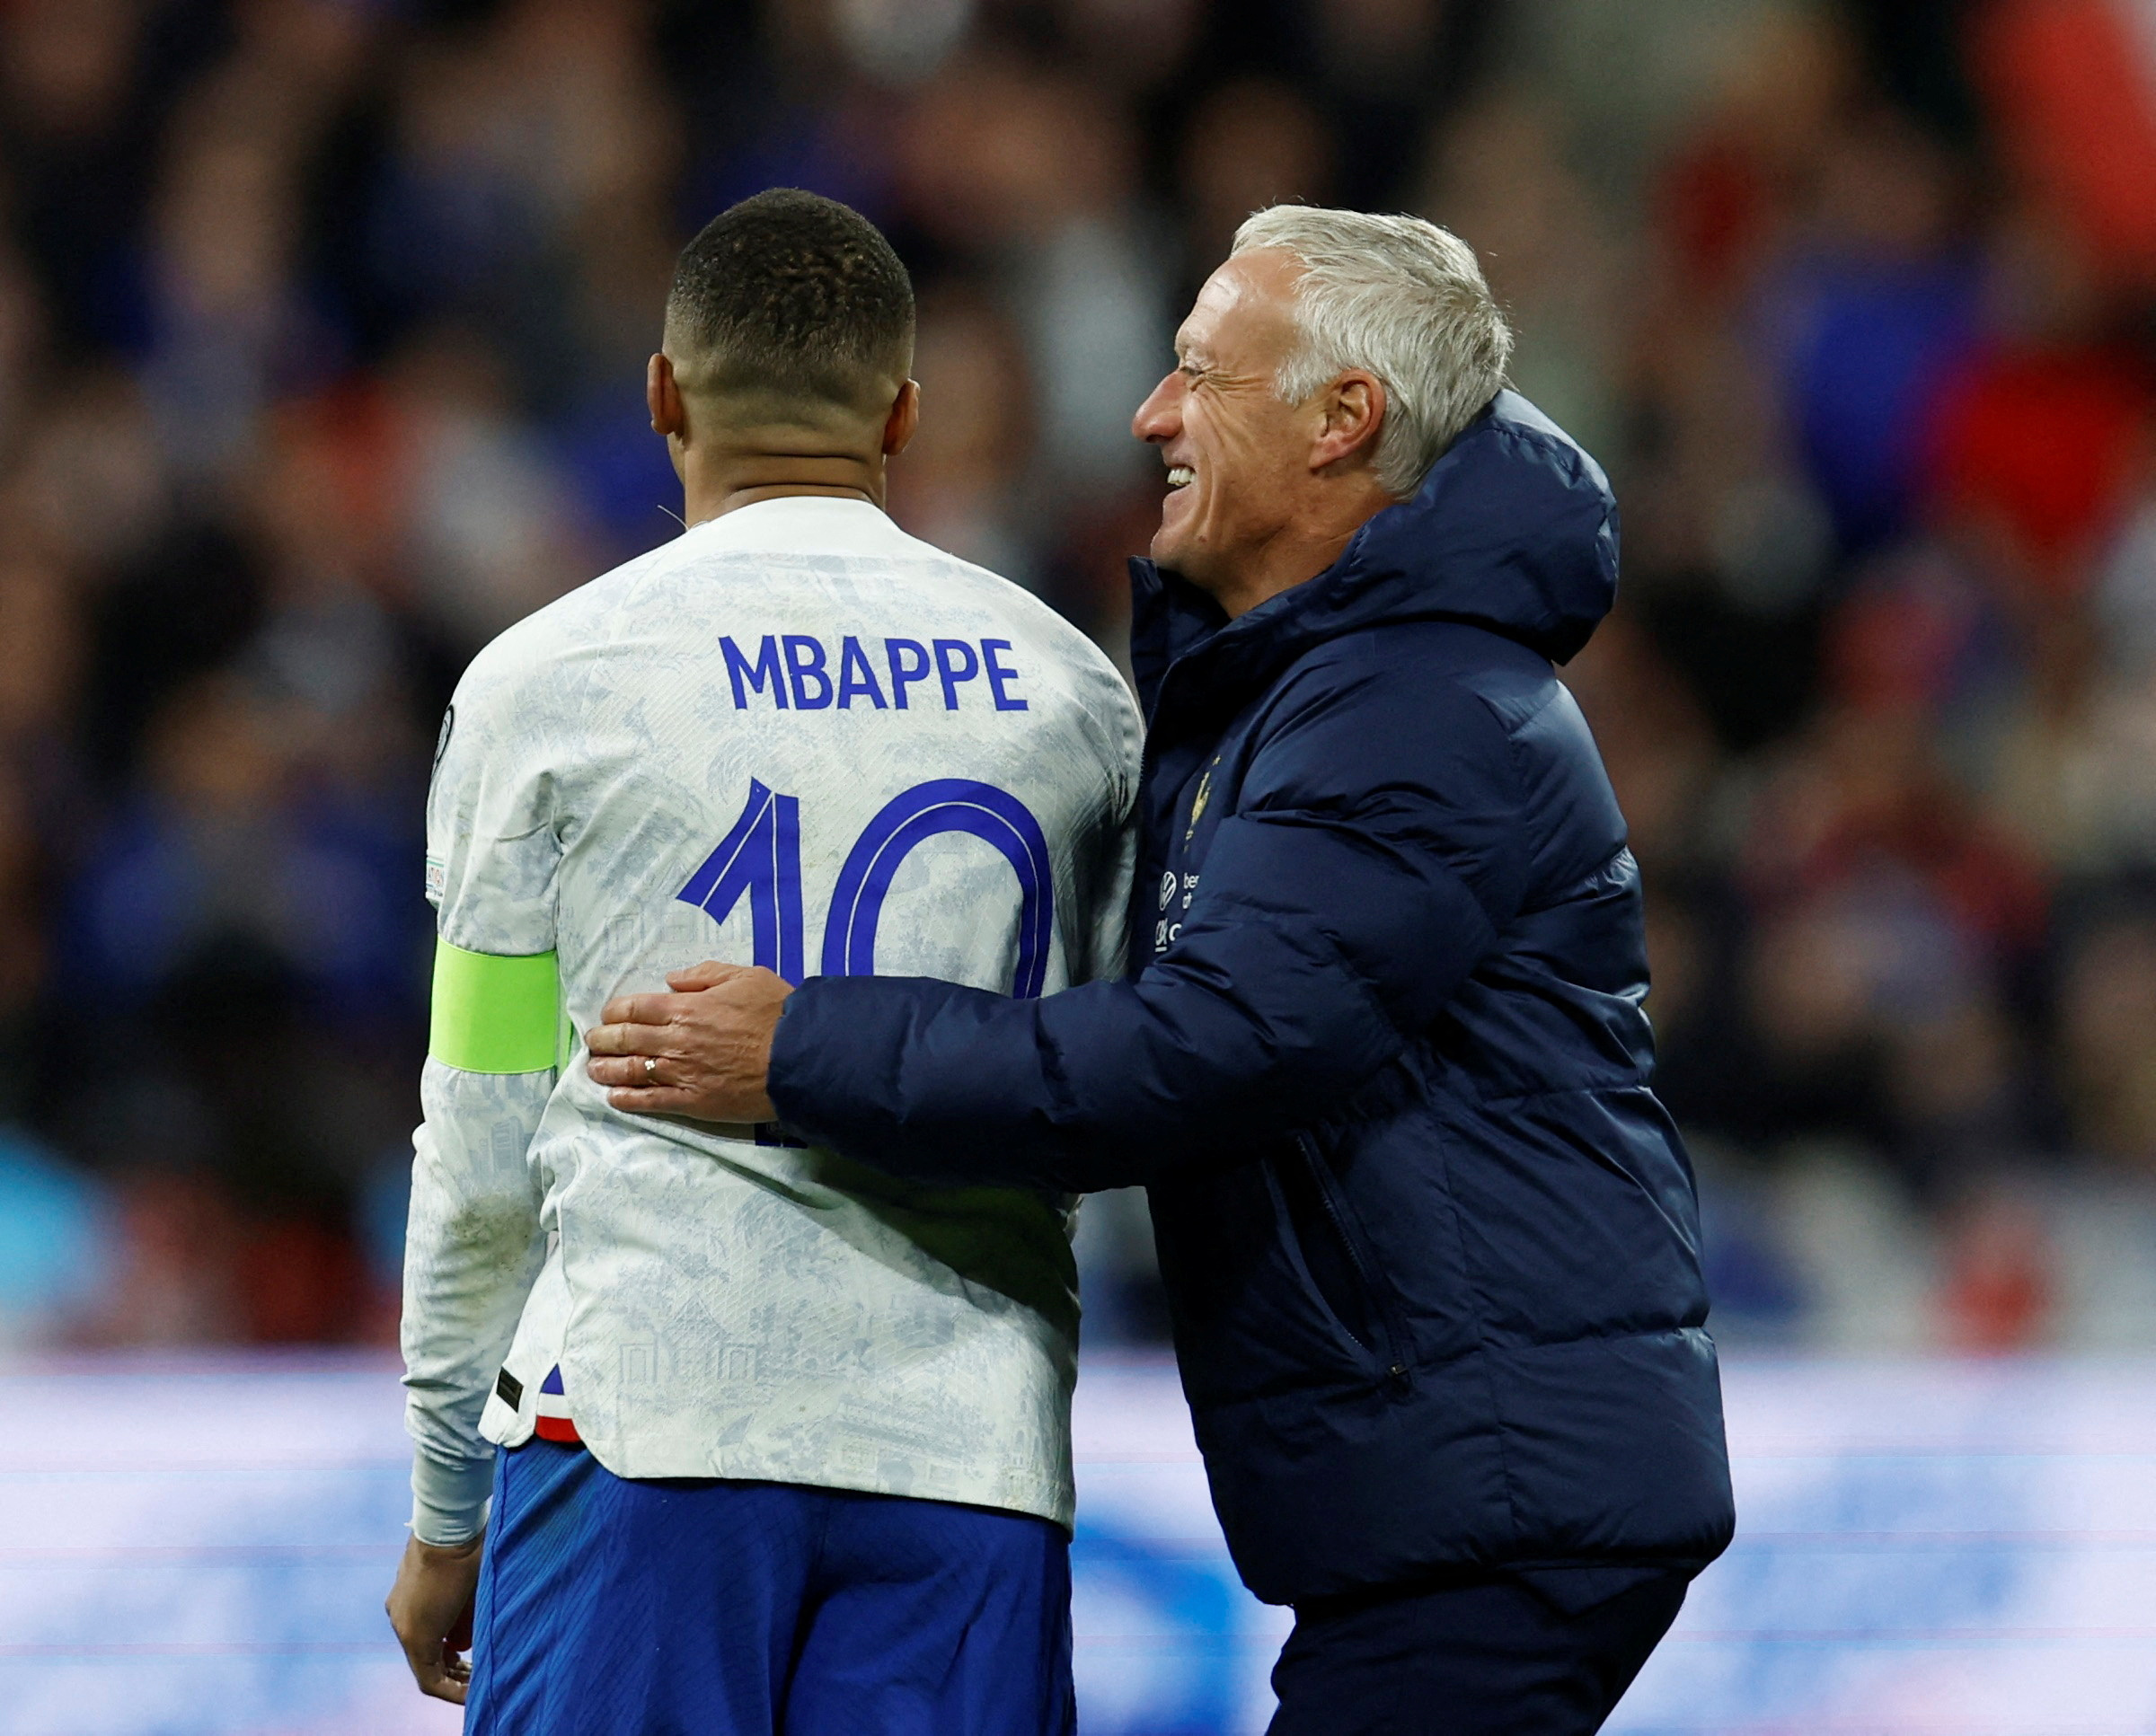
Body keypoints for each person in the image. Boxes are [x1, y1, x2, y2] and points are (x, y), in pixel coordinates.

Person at [586, 206, 1736, 1734]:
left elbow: (1198, 1051)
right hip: (1468, 1478)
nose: (1151, 414)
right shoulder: (1324, 682)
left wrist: (805, 1049)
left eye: (1203, 375)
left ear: (1343, 421)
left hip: (1507, 1491)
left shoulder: (1412, 709)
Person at [385, 189, 1141, 1734]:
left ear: (662, 393)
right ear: (906, 417)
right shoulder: (1073, 694)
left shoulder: (542, 685)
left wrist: (447, 1494)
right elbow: (1110, 1075)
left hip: (646, 1422)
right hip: (968, 1455)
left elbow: (479, 1136)